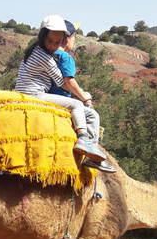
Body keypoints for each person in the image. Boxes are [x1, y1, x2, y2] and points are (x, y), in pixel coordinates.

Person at [14, 14, 113, 172]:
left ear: (63, 40)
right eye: (50, 41)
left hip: (27, 93)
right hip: (33, 95)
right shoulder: (44, 57)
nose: (53, 45)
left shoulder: (36, 50)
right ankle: (83, 139)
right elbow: (63, 82)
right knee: (75, 105)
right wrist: (83, 96)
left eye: (57, 42)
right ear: (42, 37)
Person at [49, 20, 116, 172]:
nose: (74, 42)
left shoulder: (49, 56)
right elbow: (69, 81)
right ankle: (92, 154)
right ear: (66, 39)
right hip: (60, 100)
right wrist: (84, 97)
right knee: (92, 115)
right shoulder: (66, 58)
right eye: (74, 39)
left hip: (48, 95)